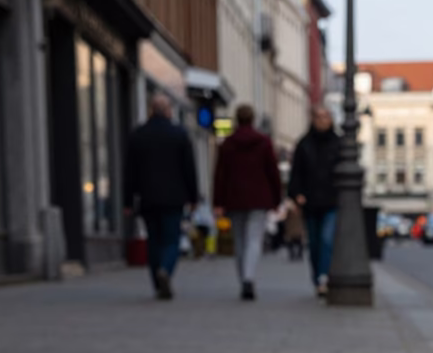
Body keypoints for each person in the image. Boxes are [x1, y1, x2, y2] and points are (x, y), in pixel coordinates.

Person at [123, 93, 198, 300]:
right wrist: (193, 198)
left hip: (147, 198)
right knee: (171, 239)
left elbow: (130, 172)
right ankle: (165, 269)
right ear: (168, 111)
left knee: (154, 240)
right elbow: (189, 169)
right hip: (174, 198)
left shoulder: (138, 135)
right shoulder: (179, 134)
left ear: (151, 110)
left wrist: (128, 201)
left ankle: (157, 282)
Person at [213, 104, 282, 300]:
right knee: (254, 240)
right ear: (253, 119)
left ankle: (243, 278)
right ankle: (248, 278)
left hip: (234, 198)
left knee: (240, 241)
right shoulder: (264, 142)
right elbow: (272, 172)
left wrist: (218, 201)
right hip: (259, 198)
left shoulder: (227, 144)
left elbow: (220, 175)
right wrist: (276, 199)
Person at [289, 105, 341, 296]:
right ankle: (317, 275)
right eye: (318, 117)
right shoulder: (304, 144)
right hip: (310, 202)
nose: (322, 120)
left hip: (332, 200)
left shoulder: (338, 143)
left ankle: (323, 278)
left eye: (325, 116)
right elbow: (296, 172)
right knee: (314, 243)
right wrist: (297, 194)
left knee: (327, 239)